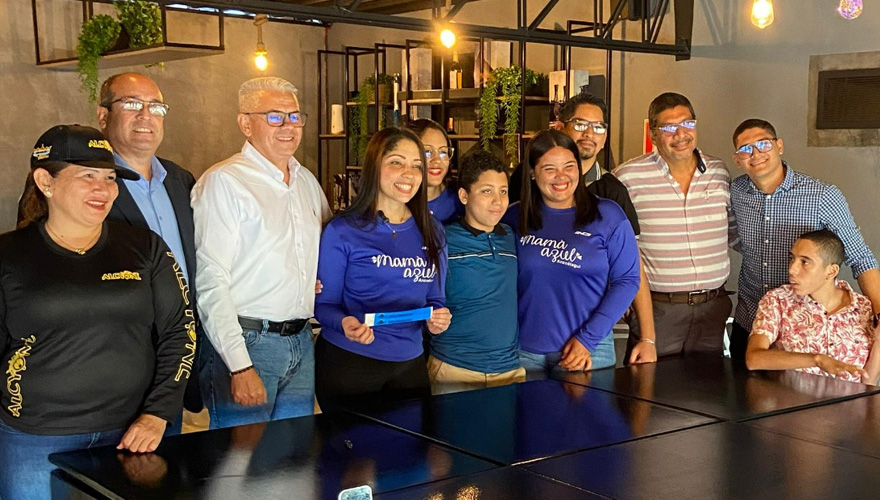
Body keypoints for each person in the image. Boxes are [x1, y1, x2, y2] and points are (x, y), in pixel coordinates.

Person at [1, 125, 193, 500]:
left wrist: (158, 413)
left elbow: (179, 331)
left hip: (133, 435)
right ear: (45, 181)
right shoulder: (9, 256)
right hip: (34, 438)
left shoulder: (145, 247)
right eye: (88, 176)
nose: (103, 189)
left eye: (109, 178)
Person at [192, 77, 331, 429]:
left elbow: (330, 246)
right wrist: (239, 365)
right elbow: (210, 279)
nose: (288, 126)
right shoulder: (225, 181)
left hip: (301, 339)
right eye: (274, 117)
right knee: (242, 457)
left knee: (294, 453)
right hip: (249, 342)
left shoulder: (306, 181)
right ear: (245, 123)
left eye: (294, 117)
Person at [314, 127, 451, 412]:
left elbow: (436, 298)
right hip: (350, 363)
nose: (409, 174)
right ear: (374, 166)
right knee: (354, 442)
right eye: (396, 162)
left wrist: (438, 318)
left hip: (410, 364)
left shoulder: (433, 230)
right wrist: (344, 323)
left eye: (417, 166)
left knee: (411, 441)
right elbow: (324, 304)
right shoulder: (343, 231)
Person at [96, 73, 203, 422]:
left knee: (167, 445)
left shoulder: (181, 179)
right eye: (132, 104)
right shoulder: (87, 182)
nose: (146, 115)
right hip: (116, 350)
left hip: (176, 346)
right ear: (103, 116)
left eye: (156, 107)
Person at [729, 118, 880, 362]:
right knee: (740, 386)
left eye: (763, 144)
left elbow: (860, 257)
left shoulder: (822, 196)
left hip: (803, 331)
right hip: (749, 319)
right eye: (746, 149)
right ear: (737, 159)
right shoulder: (735, 192)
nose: (756, 154)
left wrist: (879, 311)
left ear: (779, 146)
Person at [505, 130, 640, 374]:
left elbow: (628, 281)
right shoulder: (513, 217)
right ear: (532, 173)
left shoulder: (608, 215)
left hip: (589, 351)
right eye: (549, 169)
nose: (561, 176)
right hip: (523, 352)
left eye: (569, 166)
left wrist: (587, 340)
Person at [614, 92, 736, 358]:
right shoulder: (628, 177)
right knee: (648, 382)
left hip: (713, 309)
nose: (681, 134)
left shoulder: (719, 172)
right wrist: (618, 292)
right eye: (669, 128)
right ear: (653, 134)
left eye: (687, 123)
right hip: (658, 310)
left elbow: (734, 232)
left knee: (708, 384)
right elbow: (612, 245)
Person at [428, 149, 524, 394]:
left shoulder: (510, 236)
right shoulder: (443, 238)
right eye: (487, 191)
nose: (498, 201)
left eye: (503, 191)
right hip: (455, 367)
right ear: (464, 195)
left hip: (509, 369)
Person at [746, 230, 880, 384]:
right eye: (792, 259)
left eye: (805, 262)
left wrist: (878, 341)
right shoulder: (778, 301)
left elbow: (868, 382)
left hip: (853, 399)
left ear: (831, 271)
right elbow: (754, 359)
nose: (792, 269)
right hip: (793, 398)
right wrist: (817, 360)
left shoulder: (864, 308)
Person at [409, 118, 464, 224]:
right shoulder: (398, 200)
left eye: (443, 152)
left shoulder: (460, 197)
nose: (437, 160)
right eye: (427, 152)